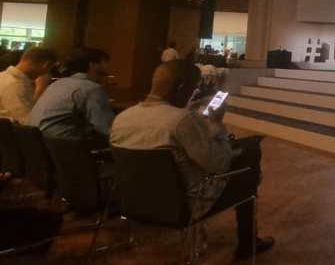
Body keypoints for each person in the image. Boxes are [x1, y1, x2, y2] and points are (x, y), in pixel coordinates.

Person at [110, 61, 274, 259]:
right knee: (250, 158)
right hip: (185, 205)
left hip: (135, 202)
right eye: (193, 88)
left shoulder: (121, 119)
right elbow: (218, 165)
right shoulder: (182, 121)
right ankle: (248, 243)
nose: (194, 93)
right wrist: (216, 124)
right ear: (181, 87)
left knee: (244, 150)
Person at [28, 48, 114, 143]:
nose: (108, 67)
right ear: (93, 65)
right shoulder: (91, 88)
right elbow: (106, 128)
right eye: (105, 62)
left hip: (36, 142)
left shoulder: (58, 83)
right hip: (61, 145)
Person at [0, 47, 57, 124]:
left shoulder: (3, 76)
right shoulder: (16, 85)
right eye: (50, 68)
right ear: (46, 65)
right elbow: (29, 121)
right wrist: (40, 89)